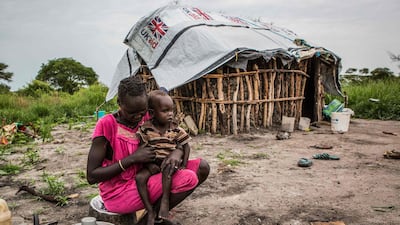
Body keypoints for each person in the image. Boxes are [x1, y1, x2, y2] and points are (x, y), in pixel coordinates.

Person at [86, 76, 210, 225]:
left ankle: (153, 217)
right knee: (188, 178)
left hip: (152, 174)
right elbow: (92, 176)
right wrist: (132, 159)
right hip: (119, 192)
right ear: (119, 103)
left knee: (202, 167)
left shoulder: (148, 115)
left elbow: (175, 133)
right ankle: (150, 219)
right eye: (132, 112)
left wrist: (177, 151)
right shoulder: (107, 125)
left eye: (142, 112)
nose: (138, 117)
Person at [136, 90, 191, 225]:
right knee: (139, 178)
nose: (170, 114)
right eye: (165, 111)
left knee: (167, 170)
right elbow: (142, 148)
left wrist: (184, 164)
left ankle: (165, 202)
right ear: (152, 113)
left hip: (168, 162)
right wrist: (148, 165)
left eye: (171, 110)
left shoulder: (176, 129)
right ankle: (149, 210)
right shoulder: (146, 129)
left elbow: (186, 146)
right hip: (153, 163)